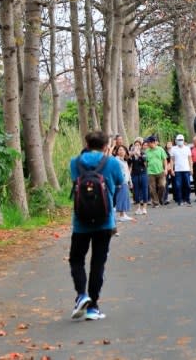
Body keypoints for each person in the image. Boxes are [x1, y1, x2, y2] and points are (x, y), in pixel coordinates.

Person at [69, 131, 125, 321]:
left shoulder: (74, 162)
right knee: (98, 263)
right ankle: (93, 307)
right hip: (105, 220)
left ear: (86, 142)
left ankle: (81, 294)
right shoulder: (112, 163)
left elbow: (74, 182)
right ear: (105, 146)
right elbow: (120, 182)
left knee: (76, 259)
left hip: (80, 221)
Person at [145, 136, 167, 208]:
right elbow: (146, 162)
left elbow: (164, 160)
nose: (147, 144)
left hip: (160, 171)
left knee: (162, 186)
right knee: (152, 189)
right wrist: (146, 168)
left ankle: (159, 199)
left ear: (153, 142)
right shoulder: (147, 151)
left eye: (148, 142)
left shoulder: (160, 149)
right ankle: (156, 202)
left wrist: (166, 169)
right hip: (151, 172)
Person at [170, 134, 193, 205]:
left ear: (183, 140)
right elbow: (172, 160)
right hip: (177, 170)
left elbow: (190, 159)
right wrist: (172, 169)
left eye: (181, 140)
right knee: (178, 186)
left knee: (188, 185)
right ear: (176, 141)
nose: (180, 141)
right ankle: (180, 200)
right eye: (178, 140)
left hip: (186, 169)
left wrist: (191, 168)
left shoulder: (187, 148)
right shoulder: (173, 149)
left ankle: (187, 199)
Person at [112, 144, 133, 222]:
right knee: (121, 198)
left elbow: (127, 172)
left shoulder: (124, 161)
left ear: (125, 152)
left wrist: (130, 181)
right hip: (120, 182)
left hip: (125, 181)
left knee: (124, 198)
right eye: (119, 150)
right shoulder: (116, 160)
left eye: (123, 150)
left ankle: (123, 214)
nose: (121, 151)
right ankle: (121, 215)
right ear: (117, 151)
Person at [129, 137, 148, 215]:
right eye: (135, 145)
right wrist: (131, 156)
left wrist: (139, 154)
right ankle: (138, 208)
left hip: (143, 173)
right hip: (134, 174)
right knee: (135, 191)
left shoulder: (143, 153)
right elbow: (129, 164)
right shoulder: (132, 155)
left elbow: (145, 162)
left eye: (138, 145)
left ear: (141, 146)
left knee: (144, 190)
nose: (137, 146)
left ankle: (144, 208)